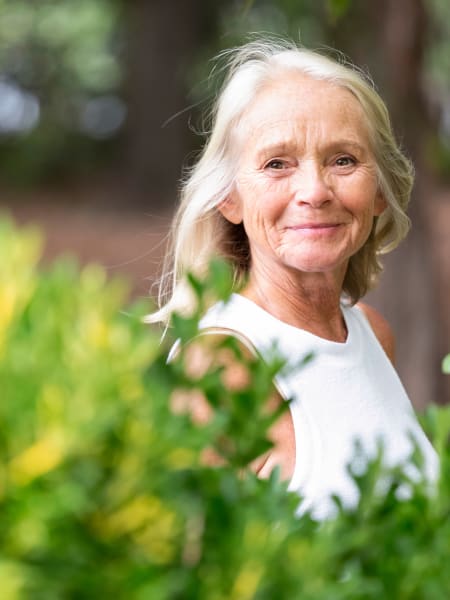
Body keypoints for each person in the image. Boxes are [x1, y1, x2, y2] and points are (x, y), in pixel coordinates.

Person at [148, 37, 438, 518]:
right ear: (230, 198)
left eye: (343, 159)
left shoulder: (370, 331)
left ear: (381, 191)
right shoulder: (219, 363)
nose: (314, 191)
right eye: (276, 163)